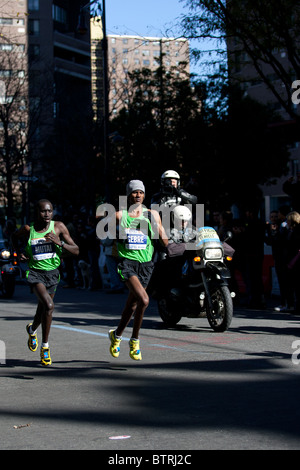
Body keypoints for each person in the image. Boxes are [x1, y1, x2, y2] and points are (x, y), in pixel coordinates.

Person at [11, 199, 79, 366]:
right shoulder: (29, 229)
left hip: (52, 274)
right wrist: (19, 253)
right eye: (43, 211)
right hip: (34, 273)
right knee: (49, 306)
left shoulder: (59, 227)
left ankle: (32, 329)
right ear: (37, 213)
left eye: (49, 211)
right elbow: (13, 236)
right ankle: (45, 347)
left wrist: (60, 243)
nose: (47, 214)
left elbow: (76, 250)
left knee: (42, 309)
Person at [108, 180, 168, 361]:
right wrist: (117, 235)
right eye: (134, 192)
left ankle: (116, 335)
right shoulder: (119, 215)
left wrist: (157, 229)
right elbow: (104, 234)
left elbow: (165, 242)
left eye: (141, 192)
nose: (138, 195)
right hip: (127, 263)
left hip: (146, 265)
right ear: (128, 195)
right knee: (144, 299)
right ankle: (135, 340)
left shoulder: (152, 215)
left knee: (133, 304)